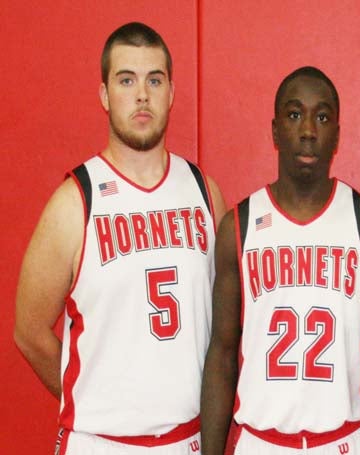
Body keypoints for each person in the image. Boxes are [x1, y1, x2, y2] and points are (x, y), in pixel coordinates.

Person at [13, 22, 226, 454]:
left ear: (171, 93)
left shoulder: (204, 191)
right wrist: (92, 403)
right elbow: (29, 331)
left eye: (154, 80)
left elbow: (230, 319)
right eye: (126, 80)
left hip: (188, 439)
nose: (142, 94)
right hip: (99, 443)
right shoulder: (75, 201)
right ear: (105, 95)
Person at [200, 66, 360, 455]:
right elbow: (221, 354)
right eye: (295, 114)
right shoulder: (240, 225)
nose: (308, 131)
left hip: (341, 441)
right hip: (261, 443)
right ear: (275, 130)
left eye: (322, 117)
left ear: (337, 134)